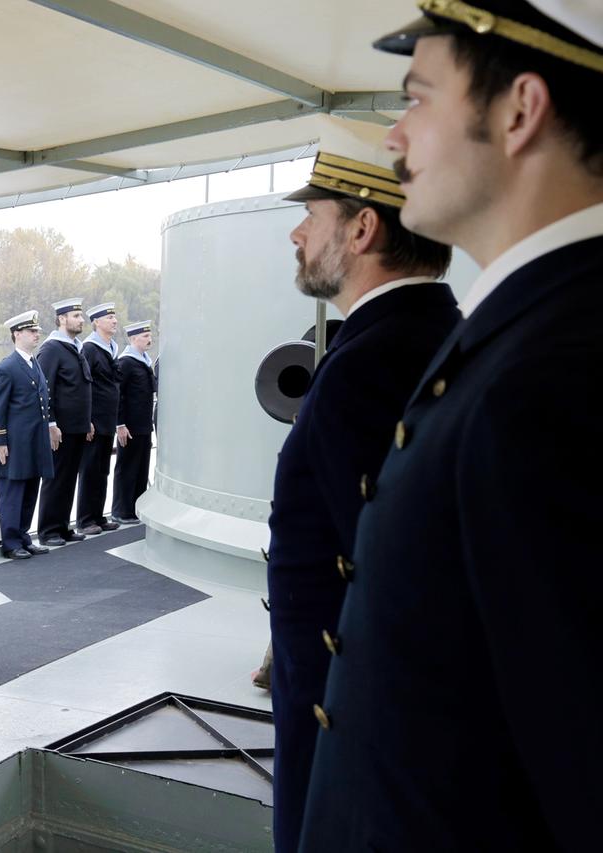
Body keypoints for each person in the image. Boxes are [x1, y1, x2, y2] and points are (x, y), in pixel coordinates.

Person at [303, 3, 603, 849]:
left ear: (519, 110)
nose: (395, 138)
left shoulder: (561, 368)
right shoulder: (521, 326)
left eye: (419, 98)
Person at [265, 121, 457, 853]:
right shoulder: (433, 332)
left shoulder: (366, 365)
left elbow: (383, 575)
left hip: (341, 717)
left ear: (362, 228)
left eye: (312, 217)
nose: (296, 235)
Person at [0, 310, 54, 560]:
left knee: (29, 492)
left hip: (34, 442)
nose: (37, 335)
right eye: (31, 331)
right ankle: (11, 543)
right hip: (14, 444)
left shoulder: (33, 363)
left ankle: (24, 537)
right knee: (12, 494)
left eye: (37, 331)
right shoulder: (6, 367)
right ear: (17, 334)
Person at [36, 297, 93, 546]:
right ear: (62, 319)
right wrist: (50, 424)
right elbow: (44, 389)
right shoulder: (51, 349)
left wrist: (87, 421)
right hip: (60, 429)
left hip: (77, 427)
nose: (81, 320)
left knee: (69, 479)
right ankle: (48, 531)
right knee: (56, 479)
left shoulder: (75, 347)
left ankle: (63, 526)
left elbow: (80, 388)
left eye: (81, 316)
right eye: (76, 316)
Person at [75, 303, 122, 536]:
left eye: (114, 317)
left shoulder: (110, 348)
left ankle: (97, 516)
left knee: (102, 470)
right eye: (110, 317)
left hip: (108, 421)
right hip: (94, 422)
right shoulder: (90, 349)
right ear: (97, 322)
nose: (114, 321)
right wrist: (88, 420)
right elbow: (86, 386)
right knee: (90, 470)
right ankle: (84, 519)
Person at [111, 321, 157, 524]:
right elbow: (118, 395)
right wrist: (120, 424)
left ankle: (136, 508)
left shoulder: (144, 361)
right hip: (129, 427)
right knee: (127, 468)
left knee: (140, 469)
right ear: (133, 339)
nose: (149, 339)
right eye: (145, 336)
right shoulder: (126, 362)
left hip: (144, 425)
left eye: (149, 335)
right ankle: (122, 511)